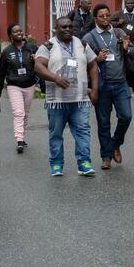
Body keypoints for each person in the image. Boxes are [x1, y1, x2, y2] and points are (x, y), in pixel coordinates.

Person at [34, 17, 99, 177]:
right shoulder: (48, 46)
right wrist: (55, 78)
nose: (68, 29)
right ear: (56, 28)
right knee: (56, 134)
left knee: (83, 131)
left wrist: (95, 89)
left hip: (81, 98)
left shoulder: (82, 44)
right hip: (57, 100)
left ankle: (84, 163)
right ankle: (56, 164)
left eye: (70, 26)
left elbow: (93, 65)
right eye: (63, 27)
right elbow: (38, 66)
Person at [84, 4, 133, 170]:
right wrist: (96, 59)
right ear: (95, 18)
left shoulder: (118, 33)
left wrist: (127, 50)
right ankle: (106, 156)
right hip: (102, 85)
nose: (105, 19)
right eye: (101, 16)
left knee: (126, 116)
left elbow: (132, 53)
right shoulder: (89, 38)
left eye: (107, 15)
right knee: (103, 122)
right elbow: (84, 63)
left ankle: (115, 144)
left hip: (120, 83)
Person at [0, 23, 38, 154]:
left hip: (29, 85)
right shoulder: (7, 52)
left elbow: (42, 64)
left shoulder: (31, 48)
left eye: (20, 31)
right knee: (18, 112)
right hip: (14, 86)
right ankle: (19, 140)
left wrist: (35, 60)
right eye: (15, 32)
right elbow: (1, 72)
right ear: (10, 36)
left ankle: (22, 136)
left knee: (25, 114)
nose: (19, 33)